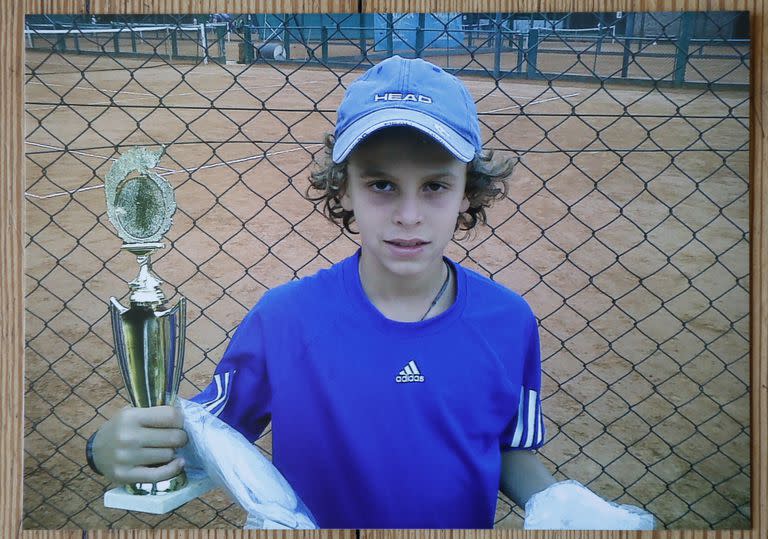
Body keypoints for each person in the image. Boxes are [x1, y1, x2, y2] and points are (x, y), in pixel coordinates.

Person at [87, 55, 557, 528]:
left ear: (467, 193)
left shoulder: (508, 320)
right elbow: (208, 431)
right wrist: (112, 446)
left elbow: (511, 448)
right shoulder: (286, 319)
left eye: (435, 185)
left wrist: (561, 507)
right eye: (381, 185)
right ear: (345, 188)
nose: (409, 215)